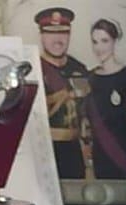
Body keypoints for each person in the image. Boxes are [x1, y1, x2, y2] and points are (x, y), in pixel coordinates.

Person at [37, 6, 91, 177]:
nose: (58, 39)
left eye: (63, 32)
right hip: (43, 149)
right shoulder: (34, 68)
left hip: (74, 151)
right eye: (50, 33)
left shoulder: (80, 69)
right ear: (41, 35)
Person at [87, 18, 126, 178]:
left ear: (115, 41)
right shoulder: (90, 77)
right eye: (95, 42)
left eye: (105, 41)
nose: (99, 48)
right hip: (100, 159)